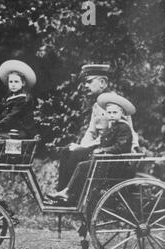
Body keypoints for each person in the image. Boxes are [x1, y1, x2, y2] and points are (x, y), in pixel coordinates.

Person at [53, 64, 139, 193]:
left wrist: (83, 148)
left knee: (76, 154)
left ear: (102, 82)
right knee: (67, 151)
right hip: (99, 145)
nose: (85, 86)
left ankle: (71, 194)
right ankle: (61, 192)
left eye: (89, 82)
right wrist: (80, 145)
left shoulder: (116, 105)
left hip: (109, 150)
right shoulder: (97, 105)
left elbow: (124, 132)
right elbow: (91, 131)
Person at [48, 92, 135, 203]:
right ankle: (68, 192)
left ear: (121, 113)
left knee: (83, 166)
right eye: (109, 113)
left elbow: (120, 147)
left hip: (115, 163)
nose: (112, 115)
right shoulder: (111, 128)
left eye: (114, 112)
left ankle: (69, 192)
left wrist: (102, 150)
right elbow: (102, 142)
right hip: (106, 160)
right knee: (80, 160)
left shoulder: (124, 128)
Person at [0, 59, 37, 139]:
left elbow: (11, 117)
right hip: (11, 129)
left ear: (23, 83)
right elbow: (3, 116)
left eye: (16, 82)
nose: (13, 84)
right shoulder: (10, 98)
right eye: (11, 82)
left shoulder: (23, 99)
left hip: (22, 130)